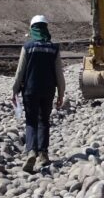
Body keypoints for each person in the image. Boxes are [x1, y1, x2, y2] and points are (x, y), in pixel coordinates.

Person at [12, 15, 65, 172]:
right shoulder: (53, 48)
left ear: (32, 28)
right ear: (46, 29)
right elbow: (59, 74)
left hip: (30, 90)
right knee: (44, 121)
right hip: (48, 91)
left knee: (31, 121)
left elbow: (20, 72)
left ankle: (31, 150)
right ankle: (43, 153)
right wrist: (61, 94)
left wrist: (14, 91)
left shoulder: (27, 47)